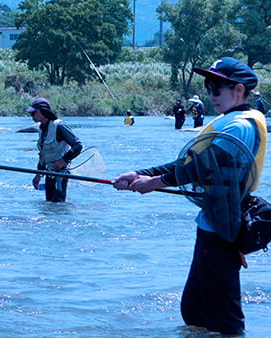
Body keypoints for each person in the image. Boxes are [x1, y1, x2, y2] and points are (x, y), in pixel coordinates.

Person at [113, 57, 267, 335]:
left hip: (224, 223)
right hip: (211, 221)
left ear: (239, 90)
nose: (210, 96)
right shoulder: (228, 121)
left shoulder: (241, 125)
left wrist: (156, 182)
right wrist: (140, 173)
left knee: (224, 317)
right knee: (195, 309)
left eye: (217, 89)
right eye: (208, 88)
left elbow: (205, 165)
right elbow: (187, 165)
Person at [26, 98, 83, 203]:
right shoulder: (42, 128)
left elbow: (77, 146)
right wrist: (38, 174)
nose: (32, 115)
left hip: (61, 173)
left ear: (42, 111)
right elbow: (43, 154)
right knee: (49, 203)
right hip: (49, 172)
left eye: (34, 112)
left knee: (58, 203)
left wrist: (63, 161)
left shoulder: (59, 126)